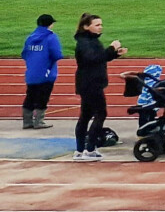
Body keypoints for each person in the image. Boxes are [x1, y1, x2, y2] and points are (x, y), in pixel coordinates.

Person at [71, 12, 123, 162]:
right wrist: (111, 48)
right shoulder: (85, 42)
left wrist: (114, 54)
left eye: (101, 24)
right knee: (100, 113)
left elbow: (99, 58)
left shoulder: (90, 40)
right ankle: (90, 149)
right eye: (97, 25)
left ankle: (80, 150)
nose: (101, 27)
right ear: (86, 26)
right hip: (91, 83)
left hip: (89, 82)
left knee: (86, 116)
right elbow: (93, 59)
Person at [20, 14, 61, 130]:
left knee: (30, 96)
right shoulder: (51, 37)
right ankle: (39, 121)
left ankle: (27, 121)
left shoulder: (30, 37)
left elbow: (24, 53)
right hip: (46, 73)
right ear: (50, 24)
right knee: (43, 97)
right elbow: (57, 54)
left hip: (32, 73)